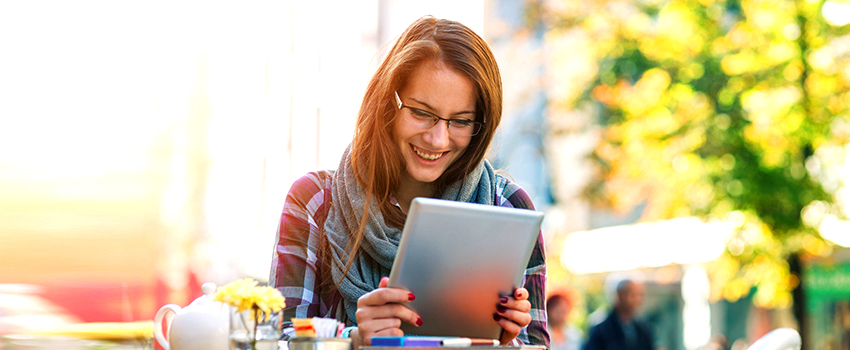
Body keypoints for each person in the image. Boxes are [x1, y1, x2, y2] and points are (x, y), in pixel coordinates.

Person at [268, 15, 548, 349]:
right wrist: (353, 340)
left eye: (461, 121)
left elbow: (535, 344)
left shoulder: (509, 208)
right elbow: (278, 338)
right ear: (387, 102)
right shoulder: (314, 200)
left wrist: (508, 342)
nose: (438, 138)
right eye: (420, 112)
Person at [583, 279, 654, 350]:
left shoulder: (643, 329)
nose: (637, 300)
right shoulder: (601, 329)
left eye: (639, 295)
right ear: (620, 295)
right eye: (633, 295)